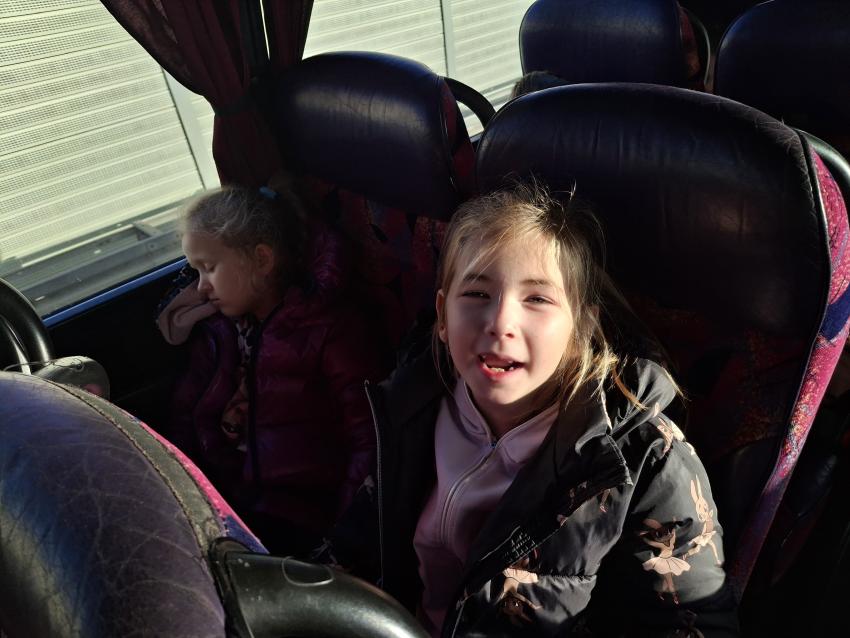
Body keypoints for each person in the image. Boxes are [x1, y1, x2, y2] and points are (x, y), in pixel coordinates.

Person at [319, 182, 739, 636]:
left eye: (537, 299)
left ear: (582, 329)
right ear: (442, 317)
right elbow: (352, 553)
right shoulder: (411, 407)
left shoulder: (642, 459)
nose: (500, 322)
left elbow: (694, 625)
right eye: (477, 294)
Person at [156, 181, 390, 556]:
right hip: (229, 502)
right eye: (195, 272)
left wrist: (346, 534)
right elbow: (188, 413)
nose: (200, 288)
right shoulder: (220, 334)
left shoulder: (329, 331)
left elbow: (369, 438)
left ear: (262, 260)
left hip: (304, 519)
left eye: (209, 268)